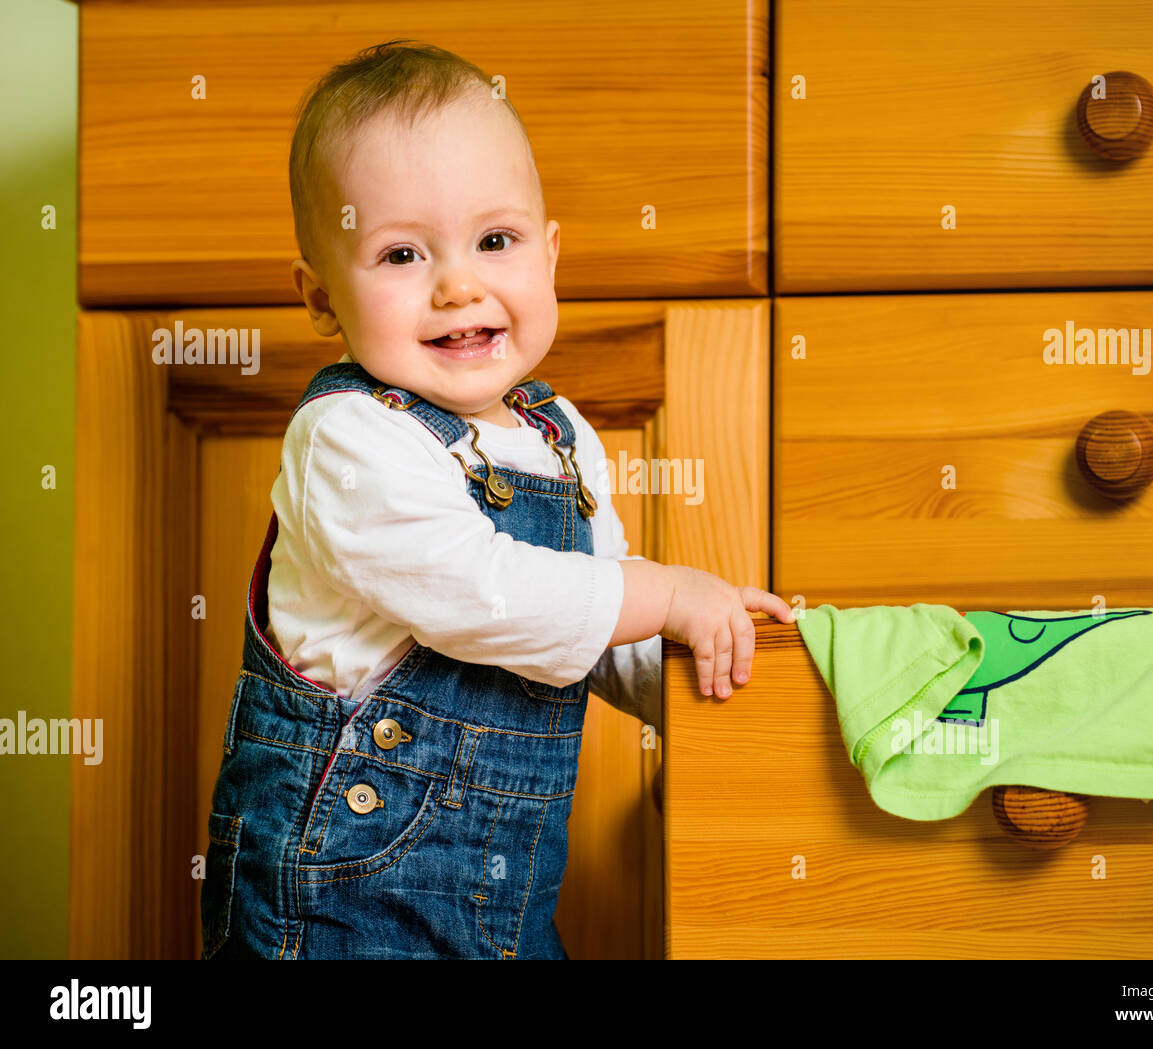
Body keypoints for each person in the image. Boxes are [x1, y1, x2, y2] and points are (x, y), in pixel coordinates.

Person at [200, 39, 794, 961]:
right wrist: (668, 591)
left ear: (549, 254)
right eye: (401, 252)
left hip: (498, 912)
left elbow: (593, 621)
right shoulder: (347, 438)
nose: (458, 283)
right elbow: (484, 594)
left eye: (495, 240)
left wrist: (703, 667)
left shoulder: (561, 436)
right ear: (321, 296)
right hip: (342, 912)